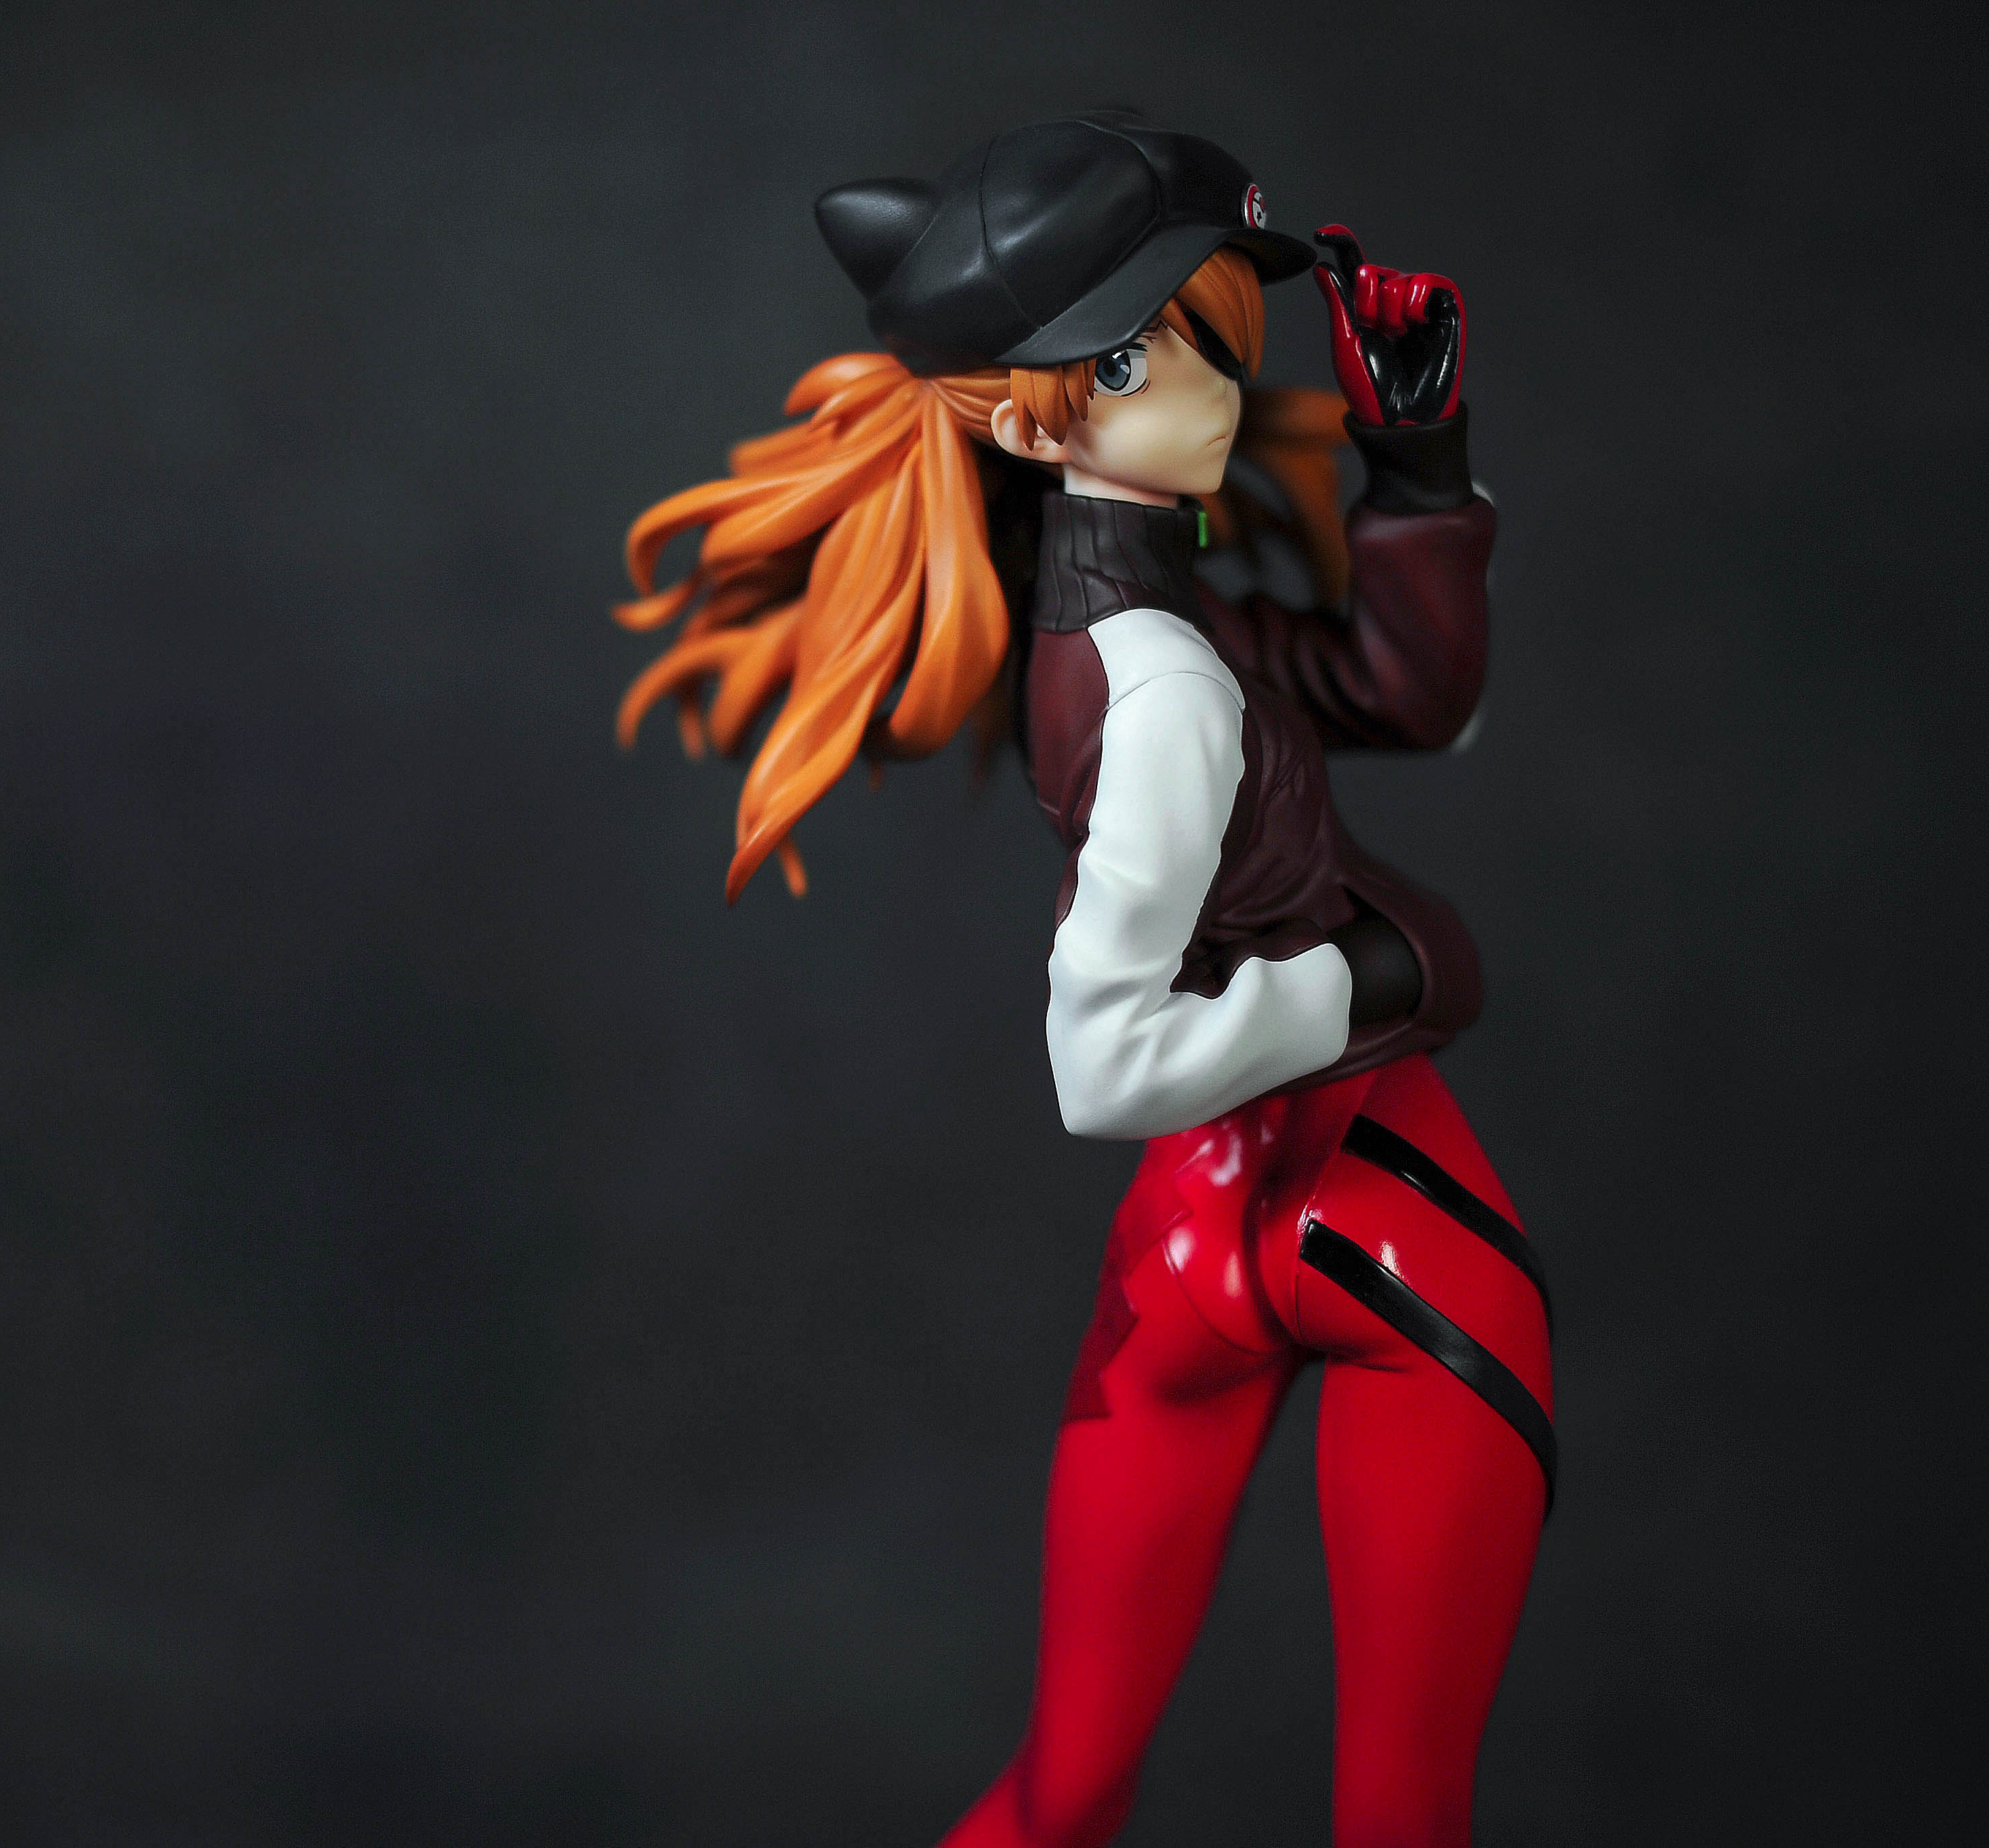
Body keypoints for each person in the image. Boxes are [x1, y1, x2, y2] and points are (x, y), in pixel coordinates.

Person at [613, 116, 1551, 1848]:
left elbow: (1398, 692)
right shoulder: (1166, 684)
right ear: (1031, 415)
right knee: (1399, 1813)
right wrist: (1368, 979)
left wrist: (1418, 463)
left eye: (1207, 332)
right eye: (1135, 356)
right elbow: (1102, 1062)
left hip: (1189, 1245)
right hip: (1372, 1203)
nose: (1211, 383)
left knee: (1064, 1794)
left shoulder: (1136, 631)